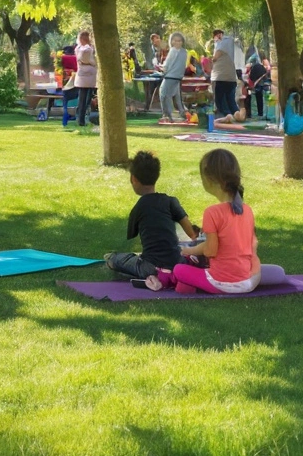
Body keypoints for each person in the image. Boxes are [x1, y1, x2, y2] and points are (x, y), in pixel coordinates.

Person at [142, 149, 287, 294]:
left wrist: (188, 251)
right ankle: (191, 282)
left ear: (209, 179)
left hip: (224, 283)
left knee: (179, 269)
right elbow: (251, 246)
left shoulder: (212, 213)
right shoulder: (246, 210)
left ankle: (179, 282)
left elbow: (211, 250)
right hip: (251, 279)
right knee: (274, 271)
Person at [104, 151, 199, 279]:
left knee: (115, 259)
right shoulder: (171, 201)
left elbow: (133, 235)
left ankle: (113, 259)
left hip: (150, 267)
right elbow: (192, 233)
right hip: (177, 264)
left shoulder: (139, 208)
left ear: (134, 179)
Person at [158, 32, 189, 123]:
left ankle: (168, 115)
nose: (177, 43)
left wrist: (162, 68)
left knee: (164, 94)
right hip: (178, 77)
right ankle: (182, 113)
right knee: (177, 96)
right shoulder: (184, 52)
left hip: (170, 76)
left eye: (179, 41)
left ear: (182, 42)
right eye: (175, 41)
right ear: (171, 41)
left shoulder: (173, 50)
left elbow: (167, 64)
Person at [210, 29, 238, 117]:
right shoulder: (231, 42)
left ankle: (226, 116)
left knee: (220, 101)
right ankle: (237, 114)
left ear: (218, 35)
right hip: (231, 77)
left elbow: (216, 57)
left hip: (220, 77)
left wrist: (210, 59)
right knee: (231, 101)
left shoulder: (223, 42)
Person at [73, 30, 97, 128]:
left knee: (84, 98)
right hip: (87, 75)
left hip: (85, 75)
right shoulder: (85, 49)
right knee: (84, 99)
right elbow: (87, 57)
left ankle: (82, 118)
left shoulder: (81, 48)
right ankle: (81, 119)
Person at [243, 54, 270, 119]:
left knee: (257, 99)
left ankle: (254, 114)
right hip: (265, 85)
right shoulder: (262, 67)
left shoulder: (254, 67)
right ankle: (263, 114)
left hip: (257, 85)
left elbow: (251, 77)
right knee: (264, 100)